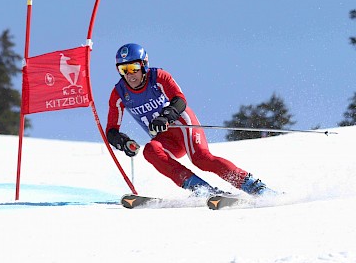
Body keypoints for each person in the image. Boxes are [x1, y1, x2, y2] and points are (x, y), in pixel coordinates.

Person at [106, 43, 275, 197]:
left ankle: (254, 187)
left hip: (182, 124)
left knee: (201, 159)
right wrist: (123, 142)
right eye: (123, 69)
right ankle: (202, 190)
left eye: (134, 67)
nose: (129, 74)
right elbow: (111, 131)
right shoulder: (119, 94)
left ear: (144, 65)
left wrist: (165, 116)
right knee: (150, 151)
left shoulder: (158, 77)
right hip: (166, 138)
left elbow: (179, 100)